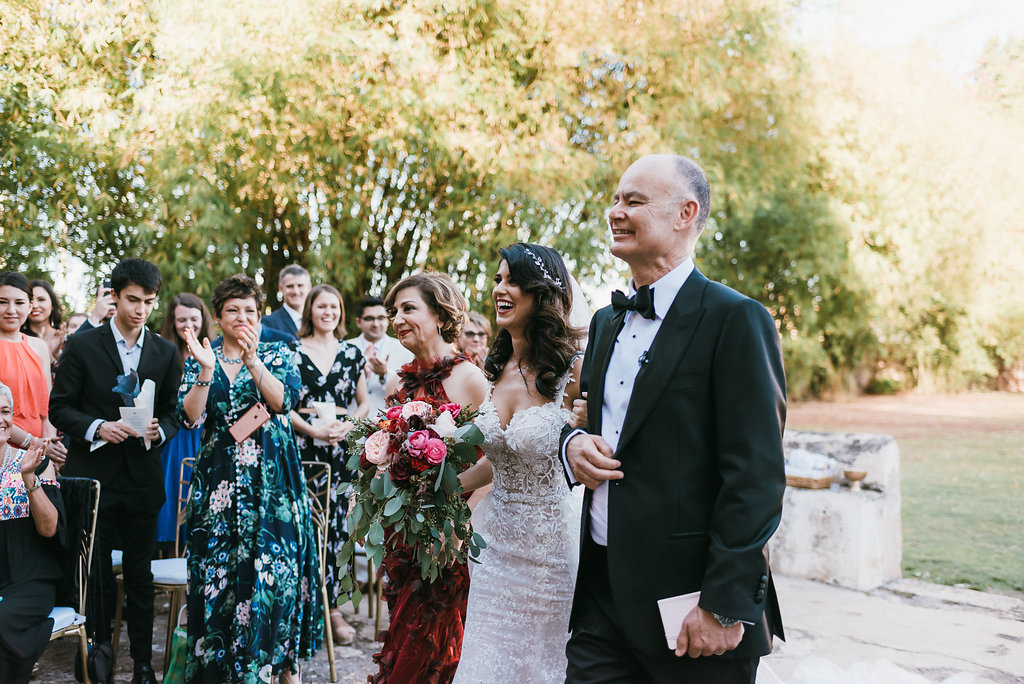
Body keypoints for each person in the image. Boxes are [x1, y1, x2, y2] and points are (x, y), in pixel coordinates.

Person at [559, 154, 787, 683]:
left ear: (686, 213)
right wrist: (574, 443)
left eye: (633, 201)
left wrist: (724, 605)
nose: (615, 211)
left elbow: (755, 476)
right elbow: (592, 420)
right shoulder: (605, 322)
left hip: (691, 611)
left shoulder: (736, 319)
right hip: (600, 598)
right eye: (615, 198)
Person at [178, 274, 322, 684]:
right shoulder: (199, 358)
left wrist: (253, 361)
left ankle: (278, 666)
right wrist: (207, 372)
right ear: (218, 318)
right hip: (218, 483)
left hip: (272, 483)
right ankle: (220, 669)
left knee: (275, 574)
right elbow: (190, 417)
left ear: (260, 317)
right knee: (217, 574)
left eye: (251, 312)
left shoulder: (278, 350)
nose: (243, 319)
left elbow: (283, 402)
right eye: (233, 311)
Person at [453, 243, 586, 683]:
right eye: (497, 280)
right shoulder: (495, 369)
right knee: (486, 662)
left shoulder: (574, 372)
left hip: (550, 553)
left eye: (512, 280)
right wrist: (438, 486)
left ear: (541, 292)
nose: (500, 289)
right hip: (494, 550)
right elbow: (498, 462)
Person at [49, 257, 182, 684]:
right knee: (97, 577)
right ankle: (97, 656)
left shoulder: (164, 351)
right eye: (132, 300)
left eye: (148, 301)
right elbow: (59, 408)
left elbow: (173, 414)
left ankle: (143, 665)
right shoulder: (84, 345)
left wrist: (160, 432)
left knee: (141, 577)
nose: (140, 309)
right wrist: (98, 426)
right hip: (94, 480)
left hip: (143, 480)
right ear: (114, 296)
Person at [372, 273, 488, 684]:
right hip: (402, 535)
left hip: (448, 536)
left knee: (432, 643)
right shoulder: (397, 383)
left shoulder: (472, 381)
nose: (397, 320)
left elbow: (493, 468)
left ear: (439, 314)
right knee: (403, 631)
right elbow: (384, 459)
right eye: (394, 312)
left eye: (408, 309)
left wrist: (457, 523)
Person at [289, 285, 370, 647]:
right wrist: (312, 429)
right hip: (303, 444)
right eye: (321, 306)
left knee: (337, 528)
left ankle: (333, 609)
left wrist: (349, 425)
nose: (328, 312)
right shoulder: (291, 350)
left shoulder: (352, 353)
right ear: (310, 309)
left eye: (334, 306)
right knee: (302, 524)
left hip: (339, 448)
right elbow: (280, 403)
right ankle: (300, 605)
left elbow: (364, 401)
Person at [0, 382, 66, 684]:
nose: (2, 420)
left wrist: (28, 477)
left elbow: (50, 528)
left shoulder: (35, 462)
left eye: (5, 412)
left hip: (30, 575)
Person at [154, 293, 215, 551]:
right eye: (181, 320)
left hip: (204, 434)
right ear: (171, 321)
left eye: (193, 318)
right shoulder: (162, 351)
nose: (188, 325)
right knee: (171, 498)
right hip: (173, 435)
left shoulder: (215, 350)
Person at [0, 272, 62, 465]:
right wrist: (35, 443)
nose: (11, 310)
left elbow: (46, 407)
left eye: (19, 302)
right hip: (5, 454)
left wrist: (49, 444)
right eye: (2, 302)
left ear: (30, 305)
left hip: (39, 455)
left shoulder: (39, 347)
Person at [345, 296, 413, 417]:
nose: (375, 324)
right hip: (350, 422)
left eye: (381, 318)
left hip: (386, 424)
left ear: (388, 320)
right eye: (369, 319)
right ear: (358, 322)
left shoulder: (405, 349)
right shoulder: (346, 348)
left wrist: (385, 374)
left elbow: (409, 390)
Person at [262, 264, 311, 339]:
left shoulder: (317, 320)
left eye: (300, 285)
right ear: (280, 288)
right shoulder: (267, 323)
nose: (295, 291)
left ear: (309, 287)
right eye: (290, 286)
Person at [23, 279, 65, 365]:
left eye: (41, 299)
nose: (34, 305)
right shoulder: (17, 338)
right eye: (30, 300)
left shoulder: (65, 339)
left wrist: (53, 354)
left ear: (52, 305)